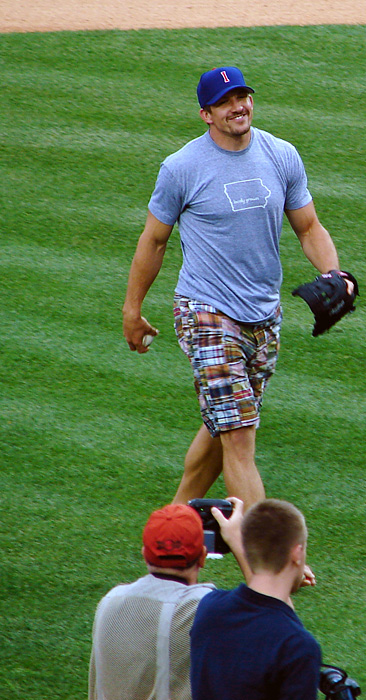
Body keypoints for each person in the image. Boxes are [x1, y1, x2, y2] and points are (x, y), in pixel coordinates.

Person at [123, 66, 350, 509]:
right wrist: (132, 310)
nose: (238, 107)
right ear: (206, 113)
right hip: (205, 311)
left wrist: (333, 274)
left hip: (264, 318)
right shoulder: (181, 168)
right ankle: (264, 564)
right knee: (240, 438)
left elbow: (308, 227)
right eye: (226, 102)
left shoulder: (281, 155)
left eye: (243, 97)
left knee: (222, 428)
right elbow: (154, 241)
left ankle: (170, 525)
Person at [88, 498, 250, 700]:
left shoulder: (110, 602)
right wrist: (240, 543)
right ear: (202, 557)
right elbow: (277, 619)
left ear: (145, 554)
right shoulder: (205, 610)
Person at [190, 498, 322, 700]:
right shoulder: (297, 646)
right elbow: (281, 624)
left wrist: (237, 541)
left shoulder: (209, 607)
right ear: (297, 553)